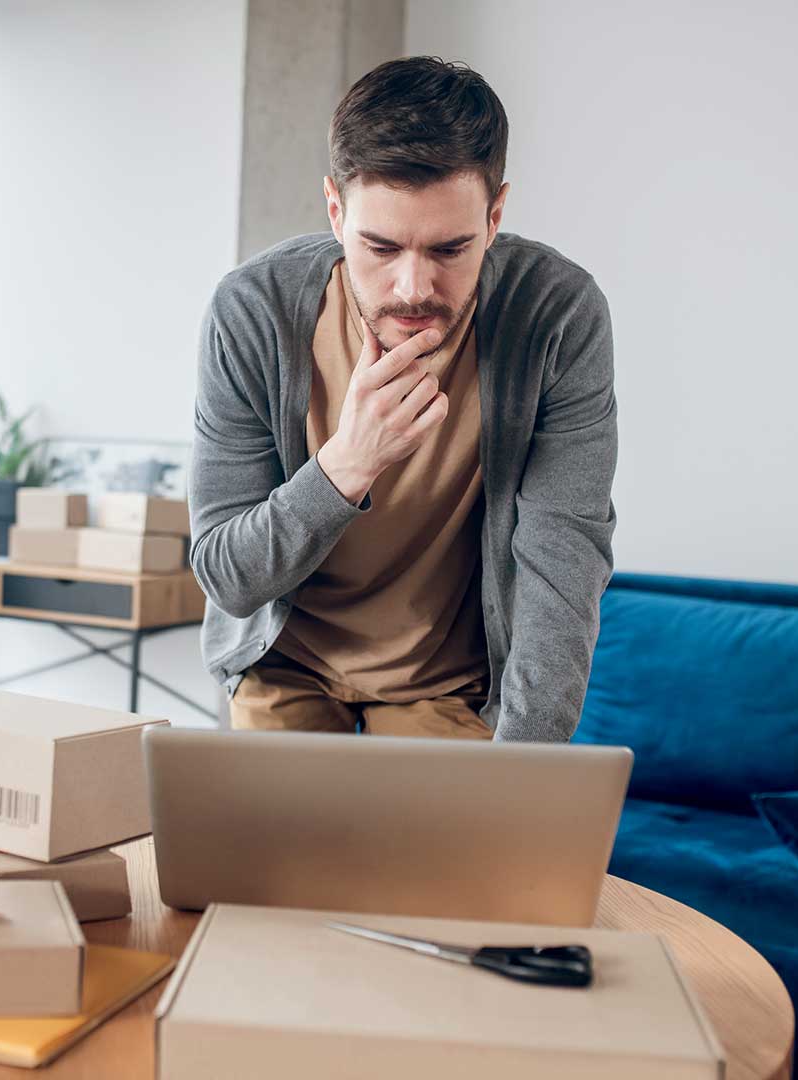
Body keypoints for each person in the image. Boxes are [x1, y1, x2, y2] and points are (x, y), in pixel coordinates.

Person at [189, 55, 617, 743]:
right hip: (285, 665)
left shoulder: (557, 316)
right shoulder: (254, 311)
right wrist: (347, 464)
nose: (413, 287)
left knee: (454, 853)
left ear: (496, 213)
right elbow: (229, 578)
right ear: (335, 209)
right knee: (273, 852)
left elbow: (562, 563)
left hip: (445, 686)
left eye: (450, 249)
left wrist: (529, 772)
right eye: (381, 247)